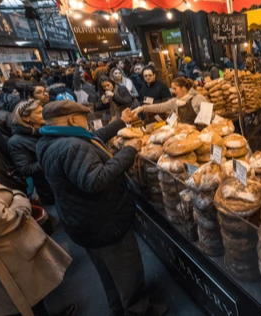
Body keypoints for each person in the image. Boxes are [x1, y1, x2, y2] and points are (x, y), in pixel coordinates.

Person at [36, 101, 168, 316]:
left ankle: (117, 306)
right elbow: (96, 180)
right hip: (104, 222)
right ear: (72, 119)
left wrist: (119, 123)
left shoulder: (48, 140)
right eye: (82, 118)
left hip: (80, 221)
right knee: (127, 270)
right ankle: (140, 309)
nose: (86, 123)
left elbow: (92, 140)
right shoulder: (72, 146)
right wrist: (129, 151)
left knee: (106, 270)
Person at [0, 127, 76, 316]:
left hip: (8, 255)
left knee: (32, 299)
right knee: (25, 301)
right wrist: (20, 200)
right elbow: (4, 221)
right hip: (7, 256)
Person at [9, 99, 55, 206]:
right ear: (26, 118)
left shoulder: (46, 128)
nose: (44, 114)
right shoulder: (16, 141)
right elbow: (24, 169)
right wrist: (50, 160)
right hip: (48, 187)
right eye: (39, 113)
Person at [132, 77, 207, 124]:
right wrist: (142, 108)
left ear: (183, 88)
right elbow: (160, 107)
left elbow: (210, 116)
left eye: (175, 88)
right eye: (172, 89)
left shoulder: (199, 98)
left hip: (202, 134)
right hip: (187, 134)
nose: (172, 91)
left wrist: (203, 120)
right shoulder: (175, 102)